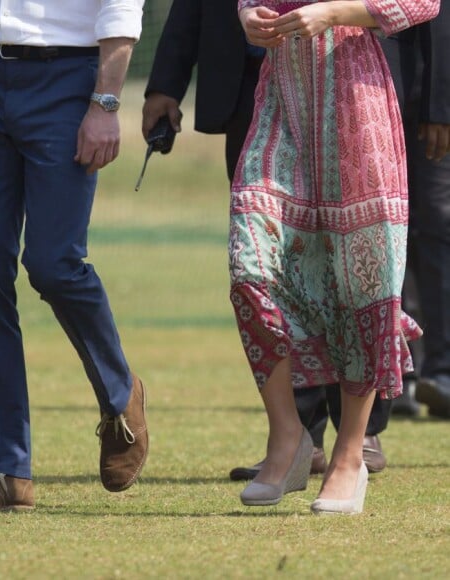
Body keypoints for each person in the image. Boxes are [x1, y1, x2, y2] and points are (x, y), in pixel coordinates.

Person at [0, 0, 149, 511]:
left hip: (68, 80)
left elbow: (119, 8)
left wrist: (105, 104)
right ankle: (7, 470)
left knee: (54, 262)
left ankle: (120, 393)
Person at [143, 0, 390, 482]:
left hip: (352, 88)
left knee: (346, 264)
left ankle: (358, 434)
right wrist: (165, 84)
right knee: (268, 266)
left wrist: (436, 101)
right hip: (251, 97)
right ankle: (297, 435)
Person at [231, 0, 438, 514]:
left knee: (363, 286)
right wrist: (247, 15)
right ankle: (288, 437)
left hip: (357, 105)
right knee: (249, 266)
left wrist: (335, 12)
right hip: (282, 104)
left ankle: (349, 457)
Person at [383, 8, 450, 419]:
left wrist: (440, 106)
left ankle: (442, 371)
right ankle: (398, 373)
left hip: (428, 98)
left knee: (438, 225)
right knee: (386, 228)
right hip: (370, 92)